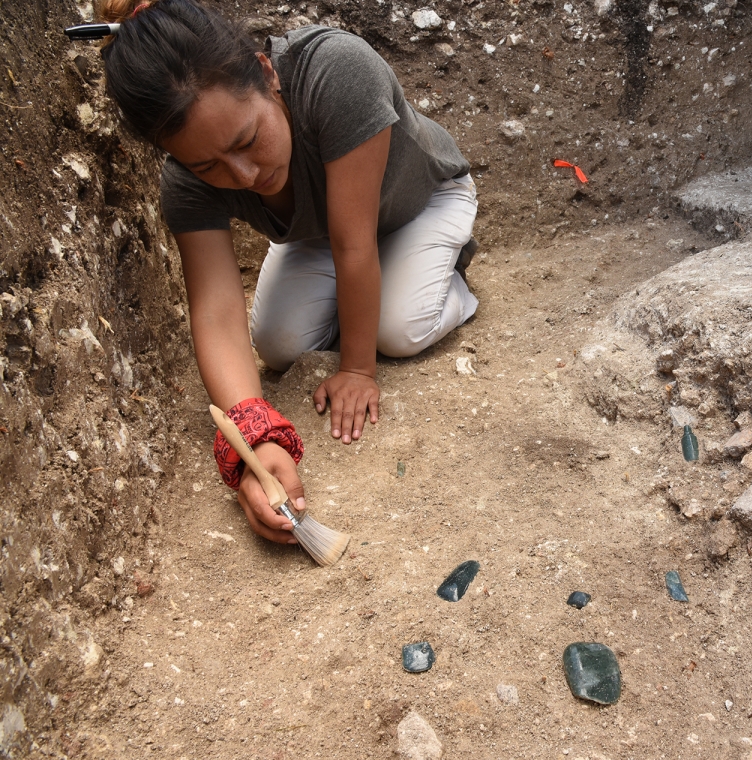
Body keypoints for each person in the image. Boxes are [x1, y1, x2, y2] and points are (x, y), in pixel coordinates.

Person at [90, 0, 479, 544]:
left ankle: (448, 280)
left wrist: (359, 370)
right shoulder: (184, 182)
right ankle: (376, 297)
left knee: (398, 331)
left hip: (421, 203)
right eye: (209, 167)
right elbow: (216, 310)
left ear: (266, 72)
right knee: (277, 343)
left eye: (247, 141)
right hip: (324, 233)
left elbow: (354, 243)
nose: (246, 175)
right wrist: (254, 440)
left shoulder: (336, 70)